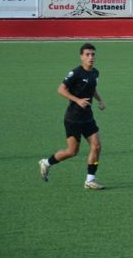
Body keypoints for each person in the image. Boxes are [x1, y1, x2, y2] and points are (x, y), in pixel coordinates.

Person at [39, 43, 107, 190]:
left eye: (93, 54)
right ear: (81, 56)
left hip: (88, 117)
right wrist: (77, 100)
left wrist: (100, 100)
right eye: (87, 54)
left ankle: (90, 180)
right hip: (73, 118)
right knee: (72, 152)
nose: (91, 57)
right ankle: (46, 162)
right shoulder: (75, 73)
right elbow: (61, 89)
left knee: (97, 146)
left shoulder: (95, 72)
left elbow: (93, 88)